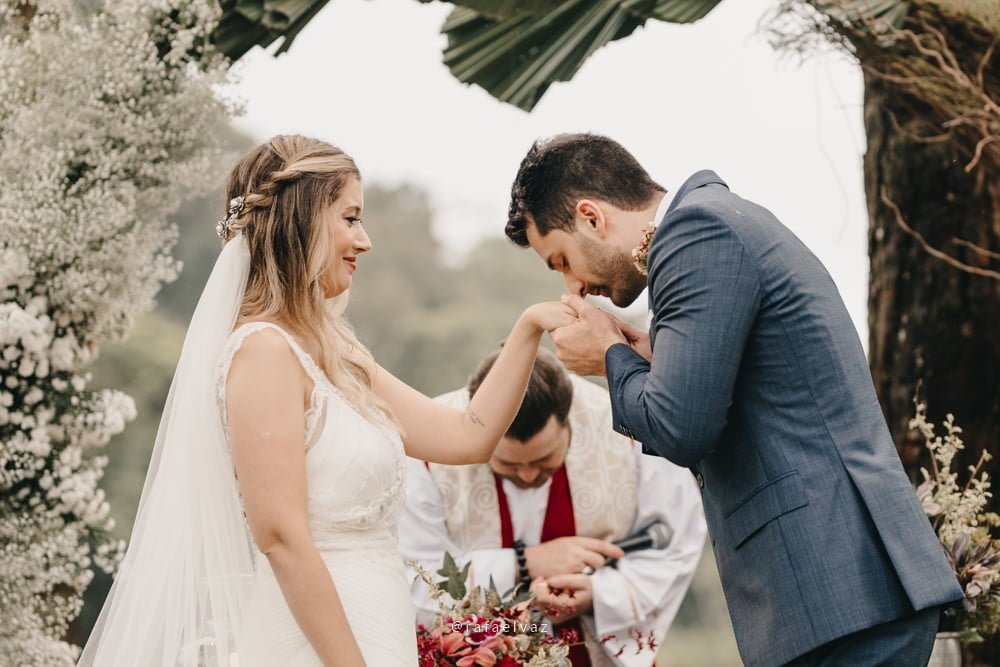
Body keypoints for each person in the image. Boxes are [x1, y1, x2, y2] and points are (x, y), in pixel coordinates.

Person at [79, 135, 577, 666]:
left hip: (379, 628)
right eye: (350, 218)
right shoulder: (264, 352)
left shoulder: (335, 350)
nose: (365, 240)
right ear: (303, 220)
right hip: (318, 644)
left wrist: (530, 328)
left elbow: (468, 436)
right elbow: (282, 539)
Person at [502, 133, 964, 667]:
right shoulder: (715, 223)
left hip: (839, 585)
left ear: (591, 217)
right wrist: (646, 355)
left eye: (562, 260)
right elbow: (742, 381)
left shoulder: (696, 232)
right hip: (843, 590)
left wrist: (609, 355)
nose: (573, 287)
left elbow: (680, 427)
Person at [400, 348, 705, 666]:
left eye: (543, 460)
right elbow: (411, 578)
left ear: (568, 424)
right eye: (508, 463)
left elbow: (676, 539)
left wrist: (599, 594)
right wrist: (525, 563)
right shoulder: (428, 445)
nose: (527, 475)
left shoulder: (629, 428)